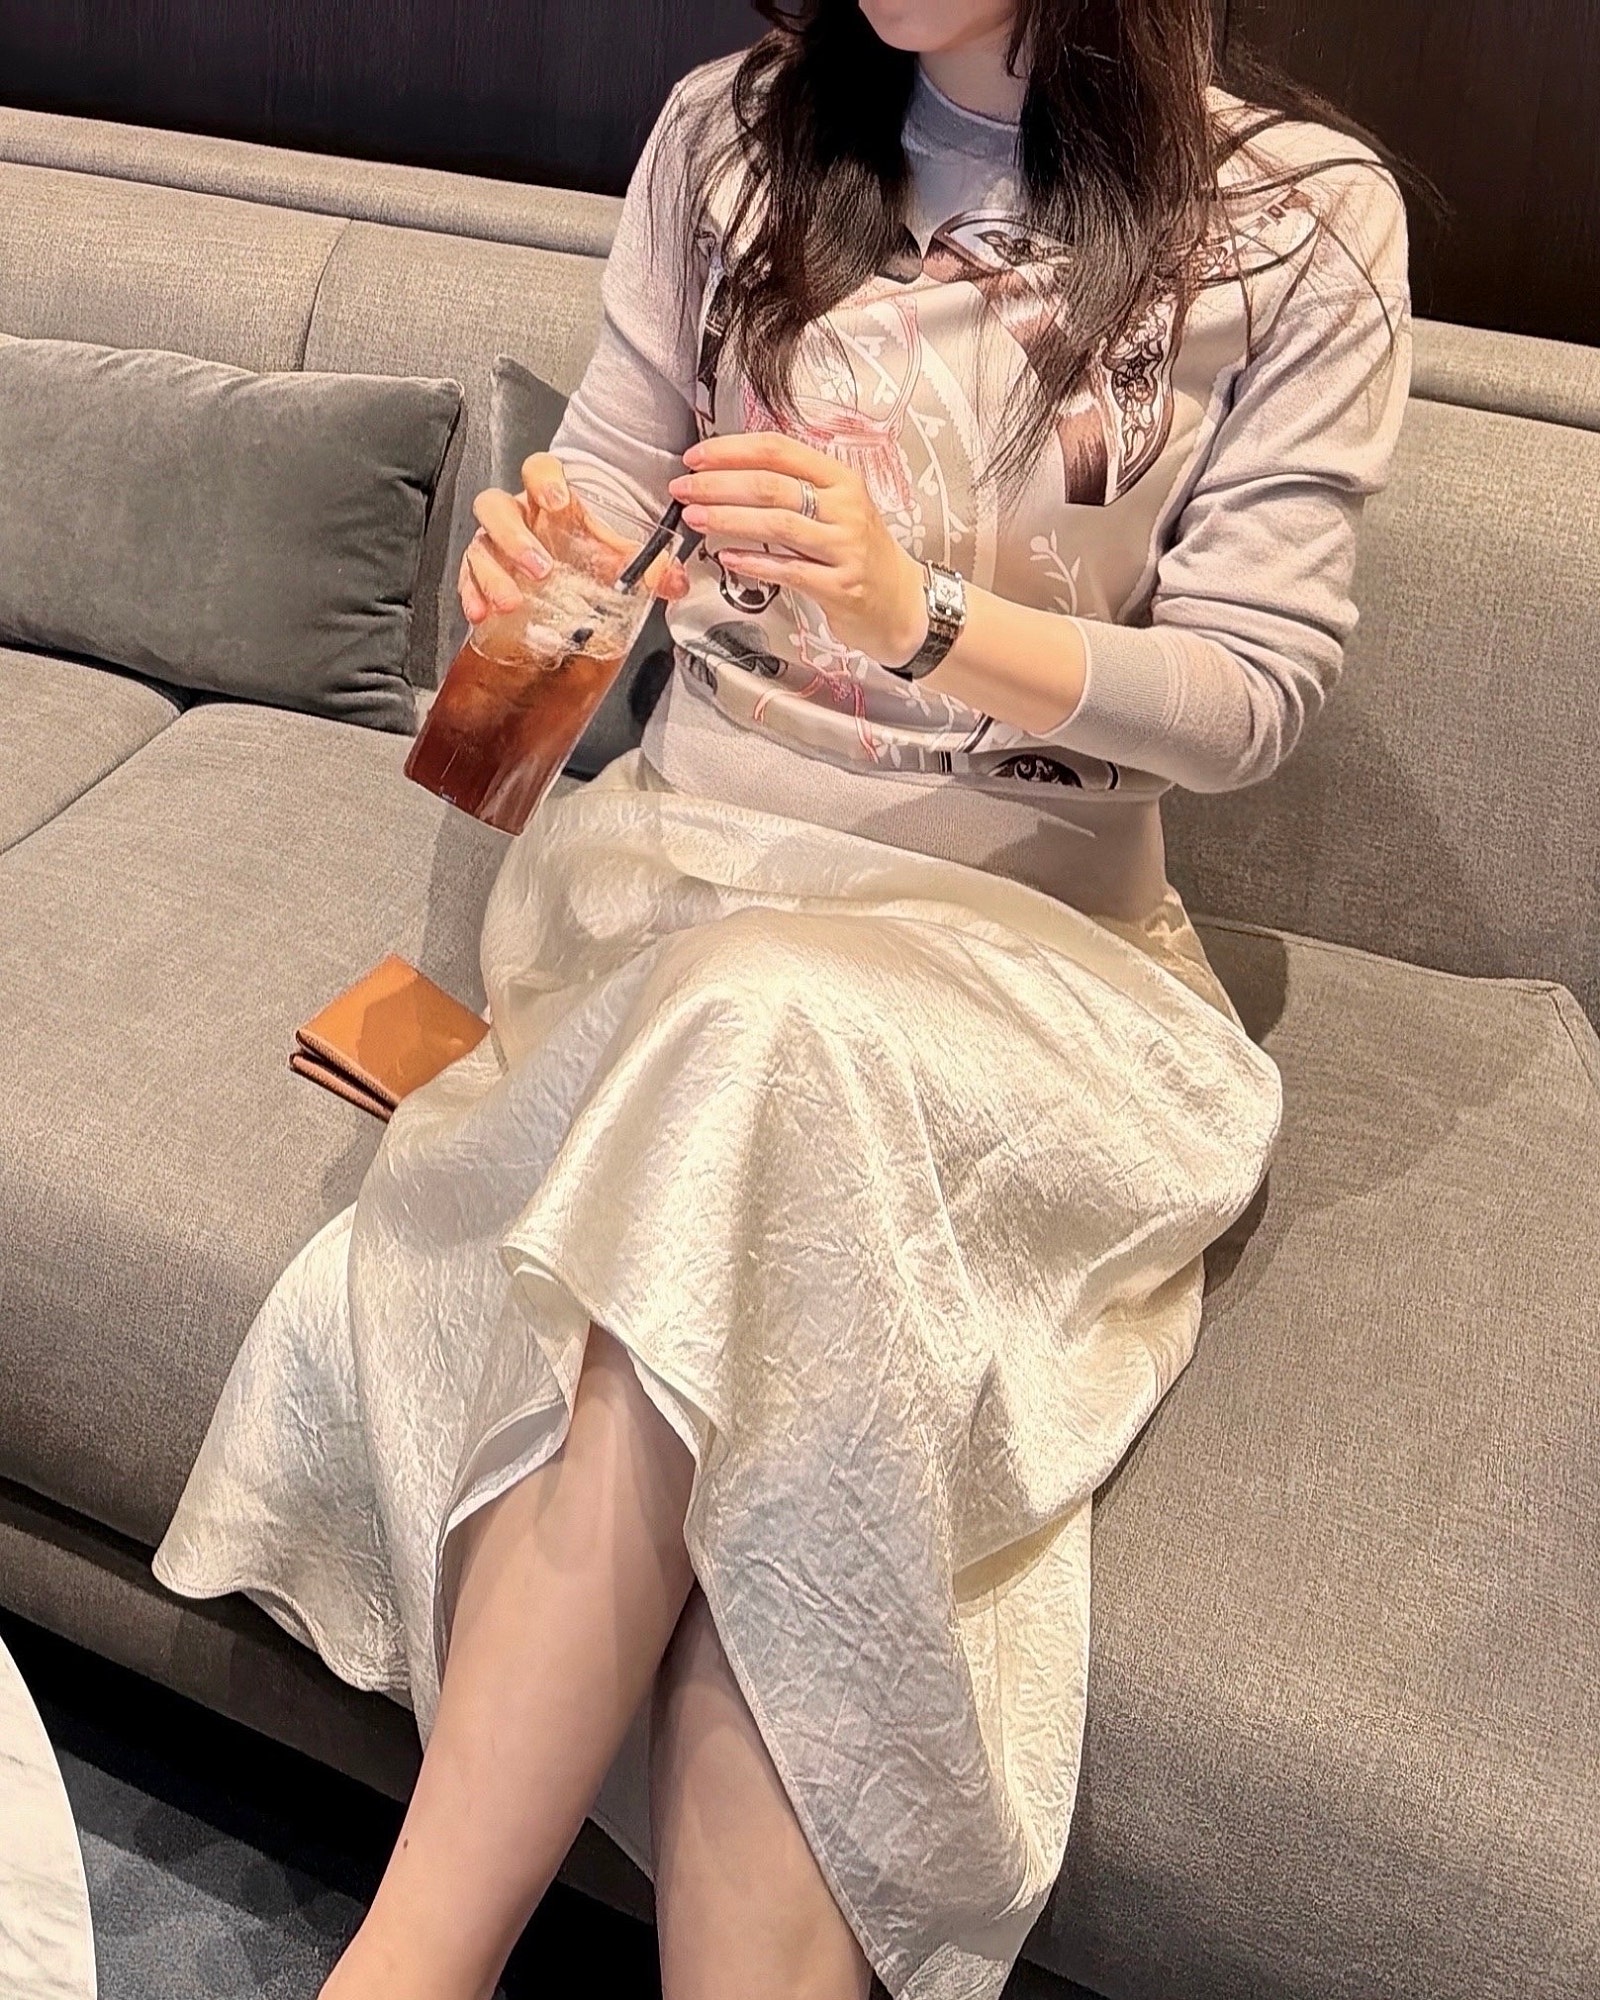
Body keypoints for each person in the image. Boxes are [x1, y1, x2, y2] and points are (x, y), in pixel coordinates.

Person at [152, 2, 1411, 1996]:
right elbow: (608, 486)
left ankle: (403, 1968)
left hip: (1022, 969)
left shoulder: (1295, 219)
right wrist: (537, 568)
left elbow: (1251, 693)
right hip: (671, 905)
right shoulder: (726, 134)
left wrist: (918, 611)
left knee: (768, 1056)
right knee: (757, 1101)